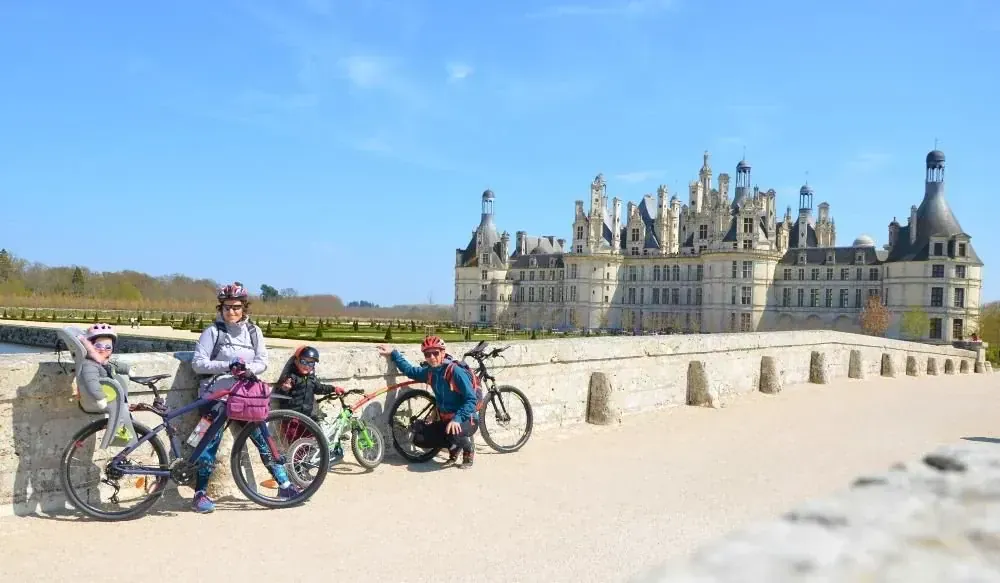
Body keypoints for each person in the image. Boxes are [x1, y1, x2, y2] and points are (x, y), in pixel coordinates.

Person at [189, 281, 299, 513]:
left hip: (245, 397)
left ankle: (285, 485)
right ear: (221, 308)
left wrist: (249, 369)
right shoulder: (212, 332)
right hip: (216, 395)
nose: (232, 311)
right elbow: (198, 364)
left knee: (263, 438)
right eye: (227, 307)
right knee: (207, 443)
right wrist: (228, 365)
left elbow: (262, 361)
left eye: (236, 307)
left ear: (244, 308)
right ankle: (199, 493)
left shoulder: (254, 332)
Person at [376, 336, 478, 468]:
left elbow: (471, 400)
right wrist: (393, 353)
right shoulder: (431, 372)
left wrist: (457, 419)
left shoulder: (455, 372)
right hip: (445, 419)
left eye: (435, 353)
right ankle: (454, 446)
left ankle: (468, 449)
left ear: (443, 352)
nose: (432, 357)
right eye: (427, 354)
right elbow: (410, 371)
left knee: (454, 433)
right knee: (419, 438)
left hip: (467, 419)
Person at [275, 345, 346, 460]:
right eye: (303, 361)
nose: (306, 366)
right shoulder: (291, 377)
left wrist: (334, 388)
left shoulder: (312, 378)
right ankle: (296, 465)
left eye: (311, 363)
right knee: (295, 443)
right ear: (296, 361)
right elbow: (279, 394)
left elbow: (320, 388)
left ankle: (306, 461)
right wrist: (284, 388)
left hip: (307, 417)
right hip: (292, 418)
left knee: (311, 439)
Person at [76, 323, 130, 412]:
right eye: (98, 346)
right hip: (102, 399)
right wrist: (100, 397)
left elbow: (112, 365)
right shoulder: (89, 365)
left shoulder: (101, 361)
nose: (103, 349)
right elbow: (91, 381)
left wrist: (127, 369)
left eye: (108, 347)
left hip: (111, 395)